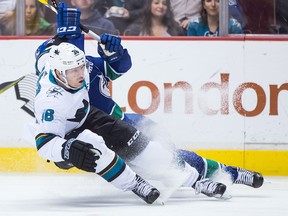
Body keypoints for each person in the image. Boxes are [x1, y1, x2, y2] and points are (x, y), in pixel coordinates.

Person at [34, 2, 229, 203]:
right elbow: (45, 143)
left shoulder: (79, 67)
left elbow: (118, 65)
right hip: (68, 132)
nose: (80, 73)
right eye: (73, 70)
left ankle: (196, 181)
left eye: (81, 66)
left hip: (88, 115)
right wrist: (65, 149)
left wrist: (114, 55)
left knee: (140, 145)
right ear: (56, 70)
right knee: (93, 150)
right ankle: (135, 183)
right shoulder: (50, 100)